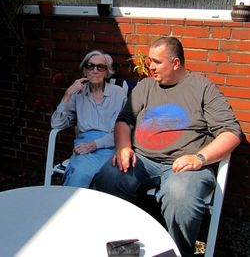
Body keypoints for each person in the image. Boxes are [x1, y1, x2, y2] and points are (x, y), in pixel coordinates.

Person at [91, 37, 242, 257]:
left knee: (180, 195)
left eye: (156, 62)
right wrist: (123, 147)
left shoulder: (202, 88)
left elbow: (231, 132)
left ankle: (178, 251)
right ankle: (125, 245)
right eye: (150, 60)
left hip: (184, 165)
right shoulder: (145, 86)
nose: (150, 66)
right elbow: (124, 120)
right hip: (142, 159)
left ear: (176, 63)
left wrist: (199, 158)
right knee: (108, 178)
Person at [51, 50, 127, 188]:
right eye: (90, 66)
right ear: (85, 71)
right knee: (81, 173)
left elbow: (124, 129)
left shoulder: (119, 93)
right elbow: (56, 124)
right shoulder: (77, 94)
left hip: (110, 146)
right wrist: (67, 94)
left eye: (100, 67)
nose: (95, 70)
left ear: (106, 72)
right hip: (84, 148)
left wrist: (94, 144)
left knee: (109, 176)